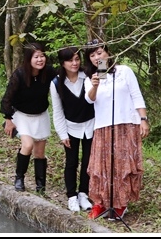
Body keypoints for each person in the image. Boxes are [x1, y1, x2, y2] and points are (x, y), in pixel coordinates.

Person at [83, 39, 149, 220]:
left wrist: (143, 119)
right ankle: (100, 203)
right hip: (103, 127)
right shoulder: (90, 78)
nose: (97, 57)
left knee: (122, 166)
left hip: (126, 124)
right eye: (92, 55)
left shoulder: (124, 71)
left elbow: (136, 95)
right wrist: (95, 85)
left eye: (100, 52)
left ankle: (120, 204)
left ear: (108, 53)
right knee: (101, 167)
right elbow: (90, 100)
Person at [0, 41, 57, 194]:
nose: (40, 60)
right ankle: (19, 178)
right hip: (22, 115)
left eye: (42, 56)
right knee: (27, 145)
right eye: (36, 57)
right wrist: (8, 120)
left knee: (40, 152)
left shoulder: (49, 72)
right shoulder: (19, 75)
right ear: (28, 59)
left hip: (41, 115)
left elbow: (65, 78)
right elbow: (7, 98)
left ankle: (41, 185)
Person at [50, 46, 95, 212]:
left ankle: (83, 193)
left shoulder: (88, 76)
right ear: (63, 63)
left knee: (88, 161)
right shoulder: (56, 83)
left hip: (91, 125)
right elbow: (57, 111)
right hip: (71, 127)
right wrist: (62, 134)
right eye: (70, 60)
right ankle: (71, 195)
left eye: (77, 59)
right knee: (71, 162)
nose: (74, 63)